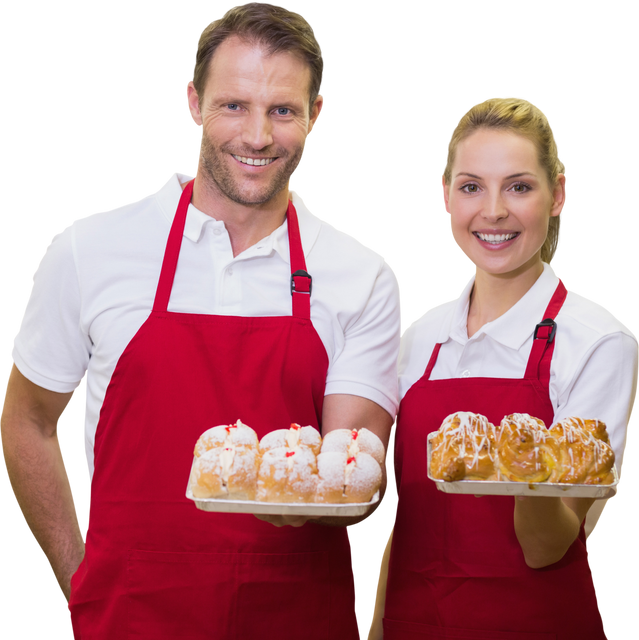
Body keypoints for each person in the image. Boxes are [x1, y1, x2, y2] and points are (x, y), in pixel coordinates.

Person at [0, 3, 402, 639]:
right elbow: (27, 421)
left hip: (296, 617)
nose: (257, 136)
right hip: (131, 616)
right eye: (234, 105)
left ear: (316, 116)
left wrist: (342, 495)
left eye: (283, 110)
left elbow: (353, 476)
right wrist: (81, 583)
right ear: (192, 102)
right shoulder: (90, 248)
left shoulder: (362, 274)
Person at [367, 94, 638, 640]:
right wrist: (375, 629)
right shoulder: (417, 337)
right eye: (471, 187)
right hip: (412, 622)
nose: (492, 211)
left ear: (558, 194)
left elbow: (546, 546)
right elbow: (407, 521)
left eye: (519, 186)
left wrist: (516, 459)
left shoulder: (599, 340)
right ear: (444, 196)